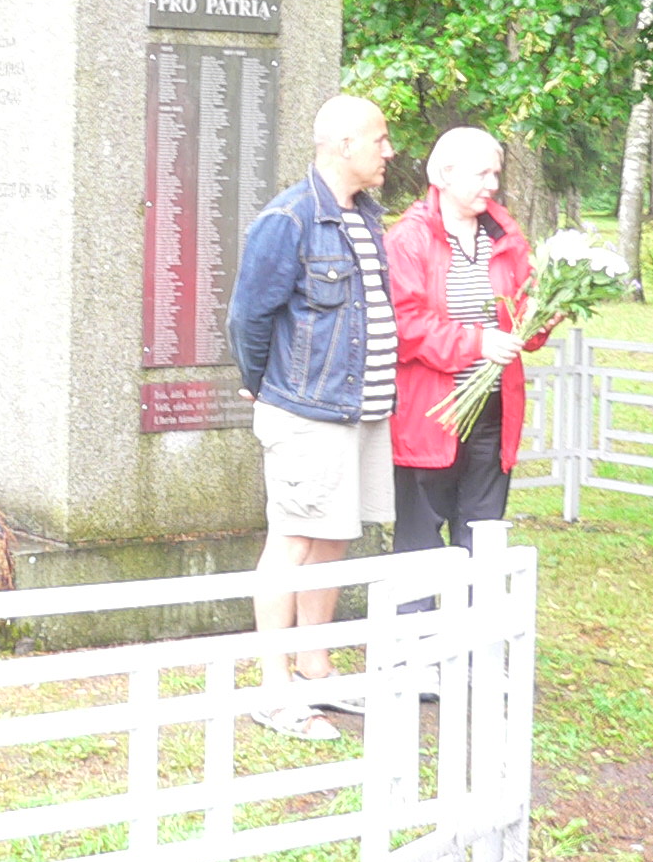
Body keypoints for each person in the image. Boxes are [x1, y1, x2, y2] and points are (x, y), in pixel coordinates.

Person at [226, 93, 398, 741]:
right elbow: (247, 317)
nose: (389, 151)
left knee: (333, 537)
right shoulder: (289, 219)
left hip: (360, 411)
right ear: (343, 145)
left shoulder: (366, 217)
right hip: (308, 412)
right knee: (293, 540)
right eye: (379, 139)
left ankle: (315, 669)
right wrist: (265, 386)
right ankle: (274, 692)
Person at [387, 128, 557, 588]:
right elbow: (405, 326)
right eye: (482, 174)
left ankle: (474, 629)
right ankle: (416, 629)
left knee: (482, 535)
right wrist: (477, 343)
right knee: (421, 541)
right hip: (430, 413)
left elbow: (524, 324)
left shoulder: (506, 236)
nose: (493, 184)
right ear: (445, 174)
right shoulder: (408, 239)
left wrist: (545, 316)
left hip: (493, 411)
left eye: (496, 174)